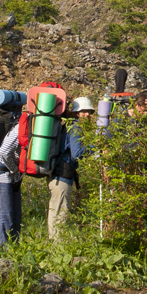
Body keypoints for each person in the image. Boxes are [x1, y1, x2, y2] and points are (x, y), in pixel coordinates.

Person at [48, 97, 90, 241]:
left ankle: (54, 244)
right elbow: (77, 153)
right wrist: (94, 147)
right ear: (77, 113)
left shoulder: (67, 126)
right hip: (62, 176)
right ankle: (57, 247)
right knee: (60, 213)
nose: (88, 115)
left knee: (56, 211)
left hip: (57, 175)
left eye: (90, 112)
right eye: (84, 111)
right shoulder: (75, 128)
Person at [0, 120, 22, 247]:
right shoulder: (20, 128)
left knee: (16, 216)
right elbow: (5, 152)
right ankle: (2, 250)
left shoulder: (30, 127)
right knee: (4, 215)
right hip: (1, 174)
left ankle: (14, 248)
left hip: (13, 176)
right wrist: (15, 169)